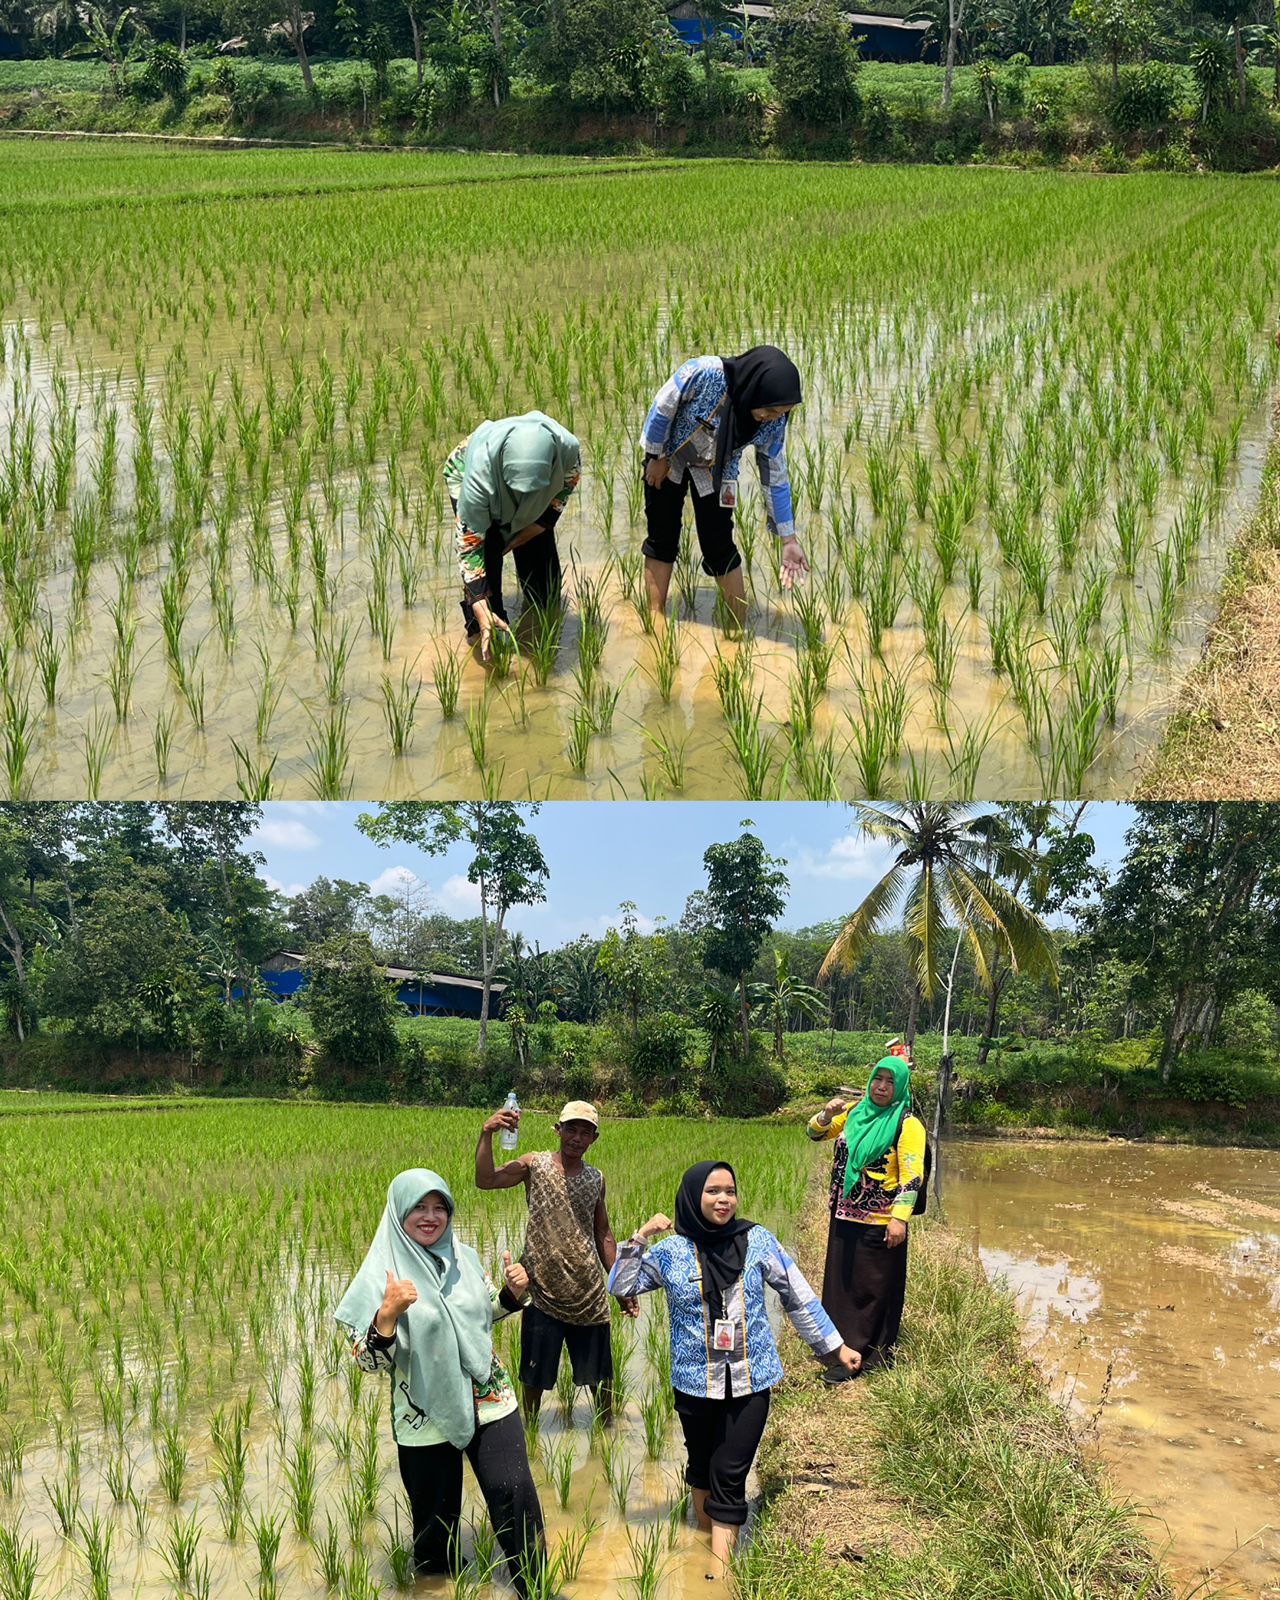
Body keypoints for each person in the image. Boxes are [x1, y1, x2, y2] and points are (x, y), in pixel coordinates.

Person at [609, 1160, 858, 1578]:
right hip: (693, 1382)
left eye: (729, 1190)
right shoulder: (671, 1252)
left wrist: (834, 1348)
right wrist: (641, 1236)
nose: (723, 1199)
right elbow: (621, 1285)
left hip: (752, 1378)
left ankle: (716, 1573)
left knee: (729, 1471)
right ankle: (702, 1541)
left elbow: (797, 1296)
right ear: (693, 1197)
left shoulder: (758, 1240)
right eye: (712, 1191)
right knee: (701, 1464)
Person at [334, 1169, 547, 1596]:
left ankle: (535, 1586)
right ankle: (438, 1586)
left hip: (489, 1394)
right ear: (399, 1213)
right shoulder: (381, 1276)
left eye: (440, 1208)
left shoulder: (463, 1258)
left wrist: (511, 1293)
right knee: (434, 1522)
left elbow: (484, 1313)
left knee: (513, 1491)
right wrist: (388, 1315)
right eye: (419, 1207)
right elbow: (367, 1361)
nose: (431, 1217)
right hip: (423, 1411)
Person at [475, 1099, 637, 1424]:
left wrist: (620, 1284)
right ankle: (530, 1435)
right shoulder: (534, 1165)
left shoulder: (596, 1179)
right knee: (534, 1377)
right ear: (557, 1130)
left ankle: (605, 1433)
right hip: (540, 1291)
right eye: (571, 1130)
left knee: (600, 1377)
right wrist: (487, 1134)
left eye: (585, 1133)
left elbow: (603, 1233)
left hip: (587, 1293)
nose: (577, 1138)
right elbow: (487, 1180)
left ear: (595, 1138)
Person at [640, 344, 810, 628]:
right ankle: (654, 619)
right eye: (770, 410)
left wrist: (788, 539)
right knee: (662, 535)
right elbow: (662, 407)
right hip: (669, 458)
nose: (774, 417)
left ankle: (737, 629)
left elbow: (775, 475)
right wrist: (656, 457)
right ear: (756, 388)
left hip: (717, 469)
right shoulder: (703, 373)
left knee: (719, 544)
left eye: (783, 412)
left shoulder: (773, 423)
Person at [807, 1054, 926, 1381]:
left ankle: (866, 1355)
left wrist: (899, 1218)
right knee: (842, 1286)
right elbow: (815, 1133)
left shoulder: (907, 1124)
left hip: (880, 1221)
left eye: (890, 1082)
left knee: (873, 1289)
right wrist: (826, 1114)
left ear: (900, 1086)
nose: (882, 1087)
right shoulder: (855, 1113)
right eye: (878, 1079)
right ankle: (838, 1347)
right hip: (844, 1214)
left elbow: (912, 1176)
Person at [443, 411, 582, 661]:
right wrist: (478, 597)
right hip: (471, 472)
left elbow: (567, 483)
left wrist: (537, 525)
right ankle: (481, 634)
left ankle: (541, 621)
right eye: (518, 491)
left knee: (544, 578)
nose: (522, 501)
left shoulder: (567, 450)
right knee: (488, 557)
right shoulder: (478, 480)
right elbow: (469, 545)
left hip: (534, 491)